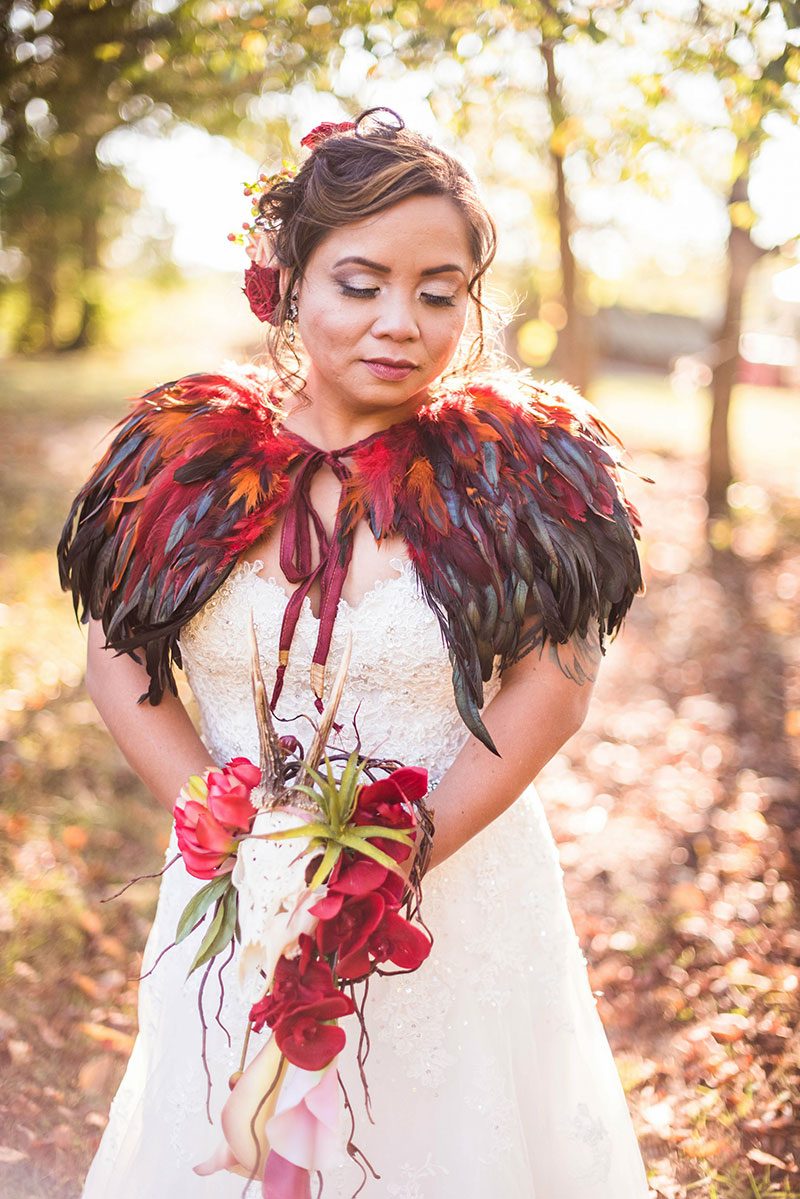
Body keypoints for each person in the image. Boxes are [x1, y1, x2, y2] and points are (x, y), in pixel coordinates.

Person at [58, 106, 651, 1197]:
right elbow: (118, 659)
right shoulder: (179, 463)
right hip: (239, 888)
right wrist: (240, 839)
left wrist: (395, 861)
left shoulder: (520, 479)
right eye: (361, 281)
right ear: (289, 283)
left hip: (450, 892)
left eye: (438, 292)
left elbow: (554, 687)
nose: (400, 322)